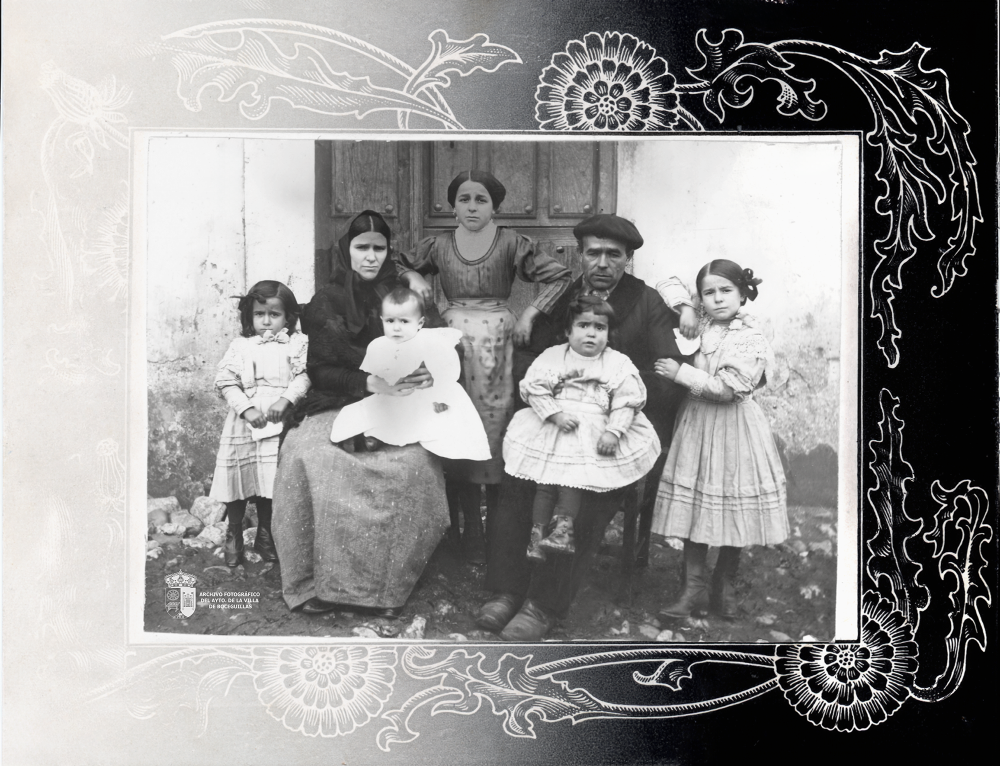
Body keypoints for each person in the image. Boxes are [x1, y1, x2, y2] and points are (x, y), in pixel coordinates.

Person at [476, 213, 689, 640]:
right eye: (594, 253)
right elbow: (534, 355)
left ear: (628, 258)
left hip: (613, 428)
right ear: (580, 255)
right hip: (558, 419)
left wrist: (612, 412)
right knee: (518, 483)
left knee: (581, 499)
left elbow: (666, 374)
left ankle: (543, 604)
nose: (603, 263)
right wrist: (552, 400)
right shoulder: (566, 297)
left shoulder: (646, 301)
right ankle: (507, 590)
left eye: (614, 255)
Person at [272, 211, 448, 619]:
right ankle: (315, 582)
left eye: (378, 248)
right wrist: (367, 382)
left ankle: (385, 587)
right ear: (346, 250)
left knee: (412, 467)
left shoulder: (407, 296)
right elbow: (321, 370)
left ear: (389, 251)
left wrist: (426, 373)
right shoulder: (327, 300)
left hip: (400, 404)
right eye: (362, 247)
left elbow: (440, 347)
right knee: (308, 455)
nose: (370, 257)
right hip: (338, 399)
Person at [398, 170, 572, 562]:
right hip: (453, 344)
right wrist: (411, 275)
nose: (472, 207)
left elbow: (560, 277)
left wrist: (531, 313)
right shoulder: (439, 245)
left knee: (494, 430)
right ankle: (468, 533)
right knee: (457, 425)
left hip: (498, 344)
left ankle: (497, 533)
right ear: (452, 207)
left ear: (494, 207)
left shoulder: (511, 242)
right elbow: (394, 264)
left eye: (481, 200)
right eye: (464, 199)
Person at [651, 259, 788, 621]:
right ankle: (693, 587)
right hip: (697, 425)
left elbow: (728, 390)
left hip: (735, 427)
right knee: (698, 502)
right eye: (708, 292)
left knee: (732, 502)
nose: (717, 298)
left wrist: (681, 373)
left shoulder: (750, 336)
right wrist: (686, 308)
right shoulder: (701, 321)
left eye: (726, 290)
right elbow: (666, 280)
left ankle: (723, 583)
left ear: (743, 294)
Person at [503, 296, 661, 561]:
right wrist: (554, 414)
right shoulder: (554, 356)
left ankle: (563, 531)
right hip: (554, 427)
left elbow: (627, 401)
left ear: (608, 333)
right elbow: (534, 388)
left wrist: (614, 431)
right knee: (545, 483)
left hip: (591, 430)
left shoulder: (616, 362)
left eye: (600, 327)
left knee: (571, 480)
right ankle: (537, 535)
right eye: (583, 325)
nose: (591, 333)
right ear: (568, 330)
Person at [208, 280, 310, 567]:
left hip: (279, 419)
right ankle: (234, 533)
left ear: (287, 317)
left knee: (270, 479)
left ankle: (266, 534)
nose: (266, 321)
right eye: (259, 314)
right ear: (249, 316)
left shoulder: (297, 344)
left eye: (274, 314)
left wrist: (286, 399)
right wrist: (246, 409)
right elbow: (225, 381)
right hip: (245, 421)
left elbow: (304, 376)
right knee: (239, 477)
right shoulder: (241, 346)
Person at [329, 286, 491, 461]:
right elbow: (374, 374)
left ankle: (381, 436)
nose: (396, 328)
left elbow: (445, 371)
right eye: (390, 321)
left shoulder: (428, 342)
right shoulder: (379, 345)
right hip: (392, 396)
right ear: (382, 320)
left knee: (438, 421)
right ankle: (370, 435)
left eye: (404, 322)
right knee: (365, 411)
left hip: (423, 397)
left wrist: (441, 397)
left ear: (419, 323)